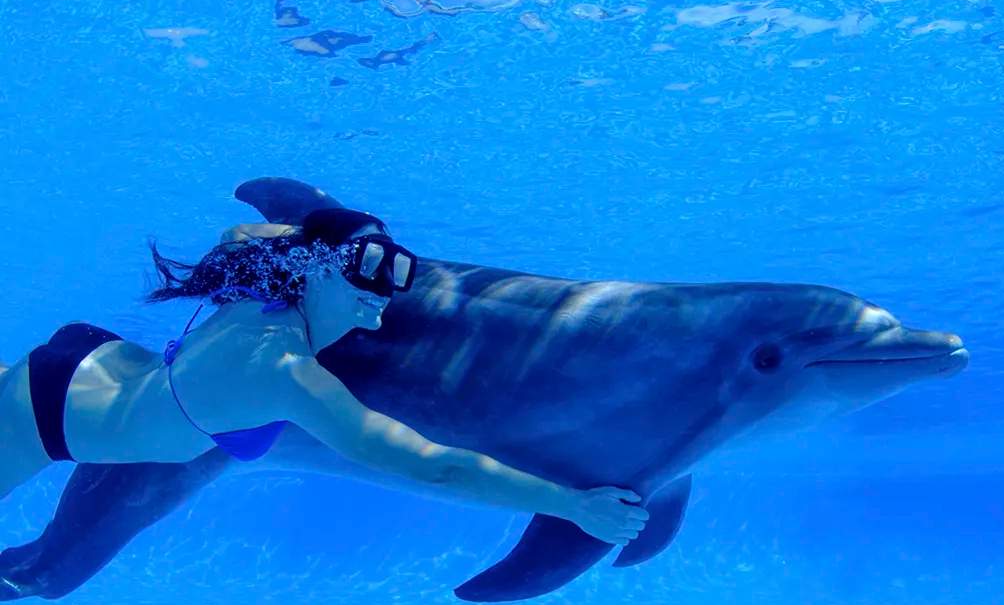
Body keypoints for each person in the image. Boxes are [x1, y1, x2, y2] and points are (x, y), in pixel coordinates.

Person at [0, 208, 648, 546]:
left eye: (397, 273)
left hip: (86, 365)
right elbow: (432, 466)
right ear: (314, 265)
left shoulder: (263, 291)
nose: (383, 295)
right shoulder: (286, 373)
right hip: (44, 419)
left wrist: (325, 242)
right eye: (368, 268)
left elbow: (240, 231)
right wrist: (570, 505)